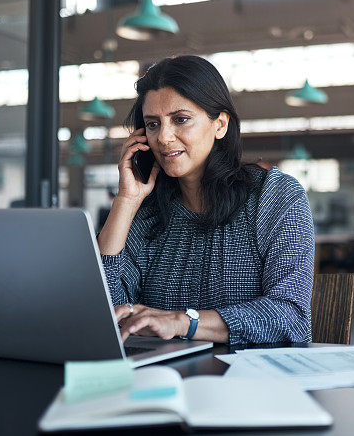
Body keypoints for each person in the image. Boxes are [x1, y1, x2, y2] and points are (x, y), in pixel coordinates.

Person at [97, 55, 314, 346]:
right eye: (152, 124)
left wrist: (184, 322)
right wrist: (125, 201)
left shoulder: (275, 197)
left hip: (250, 382)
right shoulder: (146, 212)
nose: (164, 137)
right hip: (165, 379)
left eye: (180, 119)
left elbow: (291, 318)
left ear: (220, 124)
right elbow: (105, 312)